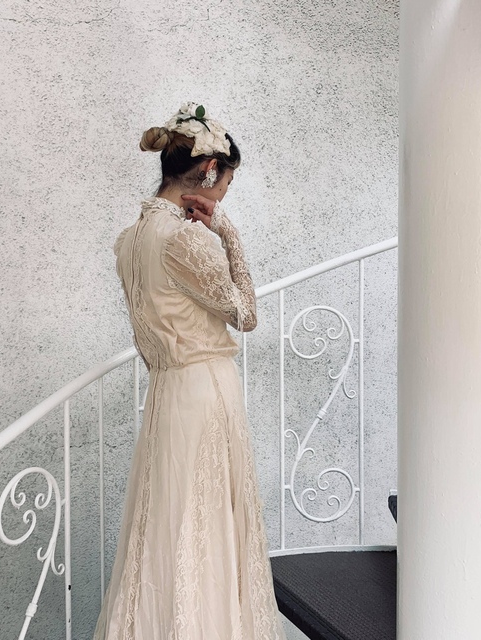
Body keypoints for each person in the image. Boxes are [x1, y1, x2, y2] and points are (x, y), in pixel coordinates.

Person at [93, 103, 285, 640]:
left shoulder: (130, 241)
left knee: (166, 526)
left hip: (167, 391)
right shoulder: (185, 238)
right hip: (203, 389)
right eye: (226, 184)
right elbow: (245, 314)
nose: (223, 196)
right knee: (204, 525)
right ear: (210, 171)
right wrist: (228, 234)